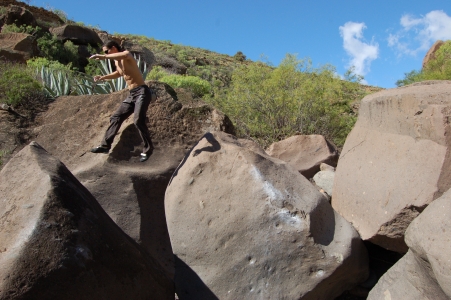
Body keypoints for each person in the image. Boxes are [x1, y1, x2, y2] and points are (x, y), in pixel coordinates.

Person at [89, 40, 156, 162]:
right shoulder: (116, 61)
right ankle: (105, 145)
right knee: (116, 117)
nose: (105, 53)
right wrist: (103, 77)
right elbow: (119, 73)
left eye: (106, 51)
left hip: (142, 91)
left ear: (113, 48)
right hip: (132, 94)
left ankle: (148, 149)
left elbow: (124, 55)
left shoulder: (126, 54)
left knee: (138, 121)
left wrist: (103, 56)